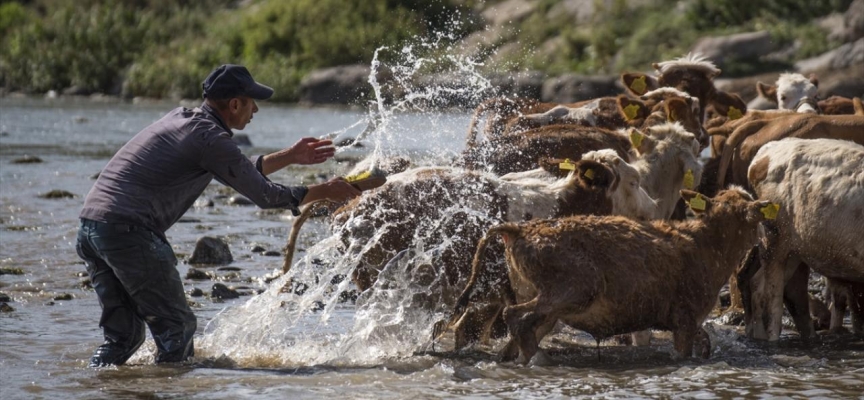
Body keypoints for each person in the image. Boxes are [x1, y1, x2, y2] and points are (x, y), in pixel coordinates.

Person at [76, 64, 361, 367]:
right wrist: (324, 191)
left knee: (124, 339)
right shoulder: (210, 138)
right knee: (177, 328)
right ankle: (171, 388)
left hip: (92, 228)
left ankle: (96, 384)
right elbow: (264, 195)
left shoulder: (183, 119)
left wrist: (290, 156)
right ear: (235, 104)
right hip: (129, 232)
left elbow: (235, 169)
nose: (256, 110)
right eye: (252, 102)